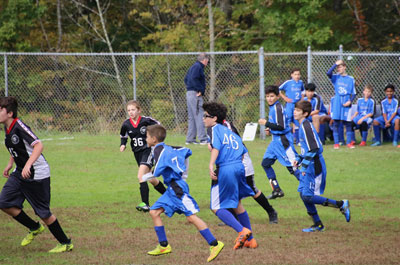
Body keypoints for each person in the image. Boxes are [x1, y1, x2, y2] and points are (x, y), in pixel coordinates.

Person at [0, 96, 73, 252]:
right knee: (4, 202)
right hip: (20, 172)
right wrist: (10, 163)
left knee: (43, 213)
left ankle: (65, 243)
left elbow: (38, 145)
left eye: (0, 110)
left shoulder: (19, 126)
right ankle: (34, 227)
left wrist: (28, 164)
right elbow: (19, 147)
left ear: (10, 113)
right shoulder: (7, 128)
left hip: (36, 173)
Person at [143, 124, 224, 262]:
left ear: (154, 139)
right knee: (154, 212)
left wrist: (145, 177)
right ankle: (164, 246)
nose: (145, 139)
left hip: (176, 189)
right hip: (171, 189)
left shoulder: (158, 150)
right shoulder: (167, 147)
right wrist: (183, 173)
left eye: (147, 137)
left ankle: (215, 244)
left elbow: (156, 171)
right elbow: (186, 150)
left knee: (191, 217)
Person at [203, 102, 255, 250]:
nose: (203, 119)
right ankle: (250, 240)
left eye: (205, 116)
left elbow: (216, 148)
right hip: (239, 166)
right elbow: (243, 149)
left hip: (226, 168)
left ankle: (242, 231)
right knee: (237, 203)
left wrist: (211, 164)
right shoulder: (230, 132)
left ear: (214, 118)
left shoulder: (213, 129)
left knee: (216, 206)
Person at [293, 100, 351, 232]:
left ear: (305, 113)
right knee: (303, 194)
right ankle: (318, 224)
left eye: (297, 110)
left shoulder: (306, 126)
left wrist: (303, 166)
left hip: (314, 166)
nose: (294, 112)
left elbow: (314, 149)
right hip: (308, 164)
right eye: (295, 109)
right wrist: (299, 159)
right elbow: (306, 149)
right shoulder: (302, 125)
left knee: (307, 196)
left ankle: (341, 204)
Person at [221, 119, 278, 225]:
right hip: (228, 161)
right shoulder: (214, 128)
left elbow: (233, 142)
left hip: (240, 159)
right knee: (230, 188)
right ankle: (232, 217)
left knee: (251, 188)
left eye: (206, 116)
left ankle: (271, 211)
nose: (203, 118)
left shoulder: (225, 125)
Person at [120, 100, 166, 212]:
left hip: (148, 150)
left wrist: (156, 140)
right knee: (150, 178)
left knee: (140, 176)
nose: (131, 112)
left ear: (139, 110)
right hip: (137, 153)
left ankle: (145, 204)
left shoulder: (146, 121)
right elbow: (123, 135)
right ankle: (170, 196)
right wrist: (123, 144)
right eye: (129, 110)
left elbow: (159, 126)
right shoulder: (126, 124)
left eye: (133, 110)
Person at [258, 85, 300, 200]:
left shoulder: (278, 108)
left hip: (283, 141)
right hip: (275, 142)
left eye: (272, 96)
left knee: (292, 166)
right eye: (267, 96)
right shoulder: (273, 107)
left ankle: (308, 187)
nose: (269, 98)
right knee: (266, 163)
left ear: (277, 96)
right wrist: (270, 130)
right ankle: (276, 190)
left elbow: (281, 127)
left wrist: (266, 123)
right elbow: (277, 126)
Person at [327, 59, 357, 149]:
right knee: (336, 122)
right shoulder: (336, 77)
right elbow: (328, 73)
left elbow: (354, 93)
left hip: (346, 100)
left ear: (345, 67)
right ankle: (336, 143)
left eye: (340, 67)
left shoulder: (350, 79)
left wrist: (350, 101)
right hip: (337, 101)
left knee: (347, 123)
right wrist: (335, 64)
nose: (338, 68)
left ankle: (349, 142)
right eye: (337, 67)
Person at [184, 53, 209, 145]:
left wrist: (189, 88)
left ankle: (190, 139)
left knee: (192, 117)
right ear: (204, 60)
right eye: (207, 61)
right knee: (199, 115)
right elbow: (194, 78)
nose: (207, 63)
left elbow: (186, 79)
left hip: (189, 93)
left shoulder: (193, 66)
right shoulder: (198, 67)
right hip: (195, 94)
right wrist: (199, 89)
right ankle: (203, 138)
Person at [279, 68, 305, 144]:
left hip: (297, 105)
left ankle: (298, 140)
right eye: (295, 74)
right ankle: (286, 139)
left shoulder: (300, 83)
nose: (297, 76)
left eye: (298, 74)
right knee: (287, 120)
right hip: (290, 105)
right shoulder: (288, 82)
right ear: (292, 75)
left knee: (297, 121)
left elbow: (303, 91)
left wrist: (302, 99)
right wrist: (285, 98)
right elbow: (278, 89)